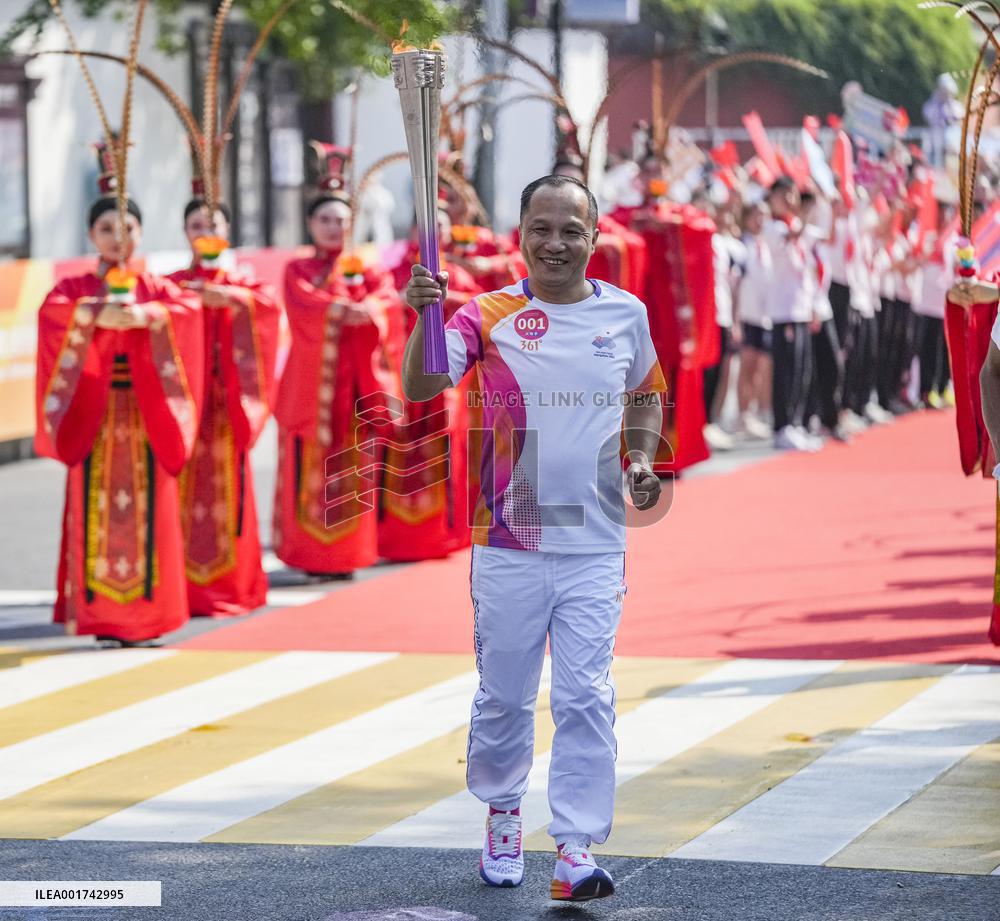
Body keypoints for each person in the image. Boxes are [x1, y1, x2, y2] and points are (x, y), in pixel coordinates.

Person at [402, 175, 666, 901]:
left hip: (595, 541)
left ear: (594, 234)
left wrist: (641, 458)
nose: (556, 243)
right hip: (508, 540)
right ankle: (504, 809)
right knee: (506, 696)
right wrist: (422, 319)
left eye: (571, 230)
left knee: (586, 694)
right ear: (521, 231)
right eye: (542, 228)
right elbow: (423, 387)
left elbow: (647, 393)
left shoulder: (626, 314)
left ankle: (575, 846)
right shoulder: (482, 315)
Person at [35, 153, 203, 645]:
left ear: (141, 234)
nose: (117, 237)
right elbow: (55, 313)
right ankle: (100, 615)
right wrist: (95, 316)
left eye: (126, 227)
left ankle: (150, 617)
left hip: (149, 412)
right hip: (96, 414)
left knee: (153, 508)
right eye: (106, 228)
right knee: (95, 507)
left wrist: (151, 319)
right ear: (91, 236)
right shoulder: (76, 289)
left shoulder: (156, 289)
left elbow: (187, 309)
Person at [272, 144, 400, 577]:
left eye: (341, 221)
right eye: (325, 220)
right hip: (314, 392)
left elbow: (387, 301)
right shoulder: (297, 270)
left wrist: (372, 311)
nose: (333, 228)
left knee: (355, 468)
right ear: (310, 224)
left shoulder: (367, 271)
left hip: (356, 389)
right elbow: (304, 306)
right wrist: (342, 309)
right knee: (308, 469)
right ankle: (309, 554)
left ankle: (350, 554)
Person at [167, 197, 280, 616]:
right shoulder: (174, 285)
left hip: (229, 406)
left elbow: (267, 308)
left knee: (230, 490)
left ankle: (233, 584)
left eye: (212, 225)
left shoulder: (245, 287)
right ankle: (182, 587)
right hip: (185, 409)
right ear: (186, 233)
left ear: (228, 233)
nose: (205, 233)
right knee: (181, 492)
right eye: (196, 225)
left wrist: (229, 299)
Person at [378, 201, 482, 560]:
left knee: (447, 448)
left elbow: (477, 310)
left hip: (446, 380)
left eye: (441, 225)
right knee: (400, 451)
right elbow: (384, 306)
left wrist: (448, 296)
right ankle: (398, 535)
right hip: (403, 372)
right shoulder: (394, 273)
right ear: (412, 232)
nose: (436, 233)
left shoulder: (460, 274)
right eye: (428, 226)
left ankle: (443, 532)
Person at [763, 177, 821, 450]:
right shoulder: (772, 227)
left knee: (802, 369)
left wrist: (813, 307)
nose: (788, 200)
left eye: (792, 194)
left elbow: (809, 269)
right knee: (785, 370)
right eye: (782, 195)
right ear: (772, 198)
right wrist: (807, 216)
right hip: (783, 310)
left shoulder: (796, 226)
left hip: (800, 309)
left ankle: (795, 423)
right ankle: (781, 426)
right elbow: (791, 238)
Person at [735, 200, 774, 439]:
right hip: (747, 314)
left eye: (764, 216)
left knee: (760, 367)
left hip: (764, 316)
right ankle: (742, 415)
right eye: (756, 215)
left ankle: (753, 412)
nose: (760, 220)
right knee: (747, 366)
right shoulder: (743, 246)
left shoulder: (767, 247)